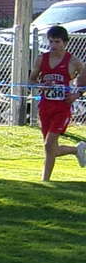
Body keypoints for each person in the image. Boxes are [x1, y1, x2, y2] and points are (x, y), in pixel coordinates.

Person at [29, 25, 86, 181]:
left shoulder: (73, 61)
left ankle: (45, 180)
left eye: (57, 42)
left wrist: (77, 94)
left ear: (64, 42)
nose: (53, 46)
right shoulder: (42, 59)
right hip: (45, 106)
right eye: (51, 42)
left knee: (49, 145)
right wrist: (40, 85)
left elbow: (83, 80)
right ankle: (76, 150)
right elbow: (32, 80)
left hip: (62, 108)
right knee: (50, 148)